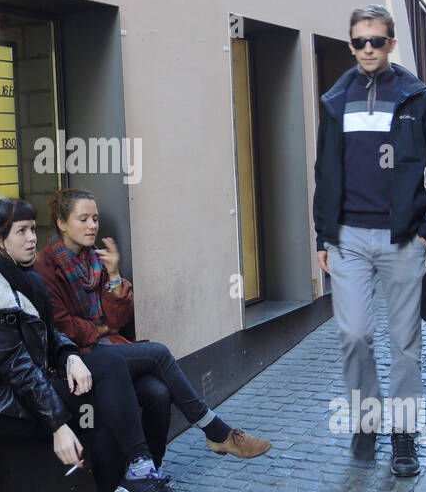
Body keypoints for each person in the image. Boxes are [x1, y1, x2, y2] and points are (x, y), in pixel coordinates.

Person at [0, 198, 189, 492]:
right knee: (110, 368)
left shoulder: (18, 278)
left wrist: (70, 356)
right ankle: (132, 484)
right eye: (22, 232)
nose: (31, 239)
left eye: (32, 230)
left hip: (25, 383)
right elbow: (14, 365)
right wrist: (57, 424)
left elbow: (48, 332)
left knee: (150, 389)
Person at [35, 187, 271, 460]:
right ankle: (216, 432)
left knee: (158, 394)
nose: (92, 226)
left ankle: (151, 476)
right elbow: (62, 327)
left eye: (96, 219)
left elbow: (118, 320)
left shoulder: (96, 261)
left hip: (106, 349)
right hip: (76, 361)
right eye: (83, 219)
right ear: (62, 223)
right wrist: (101, 329)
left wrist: (113, 276)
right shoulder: (46, 268)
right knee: (158, 353)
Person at [313, 4, 426, 476]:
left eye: (376, 40)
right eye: (358, 42)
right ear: (350, 45)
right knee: (354, 335)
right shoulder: (335, 100)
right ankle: (366, 419)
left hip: (403, 238)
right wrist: (322, 236)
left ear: (391, 44)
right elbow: (323, 170)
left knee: (405, 341)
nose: (367, 49)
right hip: (346, 237)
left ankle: (404, 433)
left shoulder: (418, 99)